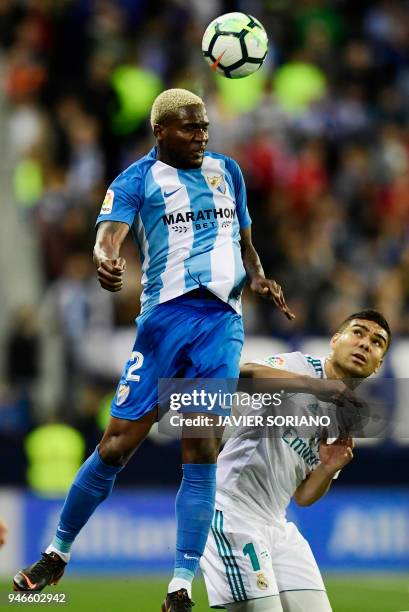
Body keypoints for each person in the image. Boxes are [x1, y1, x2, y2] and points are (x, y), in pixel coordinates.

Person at [13, 88, 293, 611]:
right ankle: (57, 552)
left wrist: (258, 277)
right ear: (160, 132)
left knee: (201, 445)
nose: (201, 136)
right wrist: (106, 259)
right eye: (190, 128)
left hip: (220, 325)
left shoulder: (227, 170)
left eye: (205, 127)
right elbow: (109, 234)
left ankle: (180, 585)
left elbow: (246, 240)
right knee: (116, 445)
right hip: (163, 324)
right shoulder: (136, 179)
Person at [201, 309, 390, 612]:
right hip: (231, 511)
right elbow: (240, 375)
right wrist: (315, 386)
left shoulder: (345, 417)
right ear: (335, 340)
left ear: (379, 364)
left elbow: (303, 496)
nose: (365, 343)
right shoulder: (299, 366)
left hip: (277, 525)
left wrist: (328, 469)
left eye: (377, 342)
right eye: (357, 333)